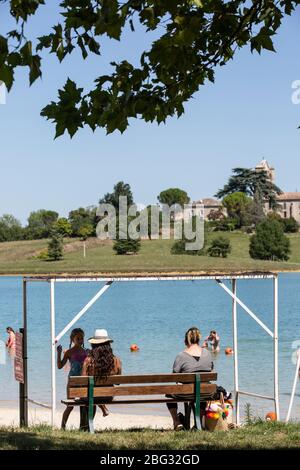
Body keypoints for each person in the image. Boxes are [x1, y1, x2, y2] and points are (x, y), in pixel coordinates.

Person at [57, 327, 108, 429]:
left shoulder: (87, 351)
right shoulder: (69, 352)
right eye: (78, 338)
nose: (80, 340)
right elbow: (60, 366)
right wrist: (58, 353)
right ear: (72, 339)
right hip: (72, 382)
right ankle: (62, 426)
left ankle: (100, 411)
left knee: (90, 397)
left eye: (82, 338)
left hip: (83, 381)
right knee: (70, 406)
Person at [167, 326, 214, 430]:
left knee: (169, 393)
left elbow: (174, 378)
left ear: (186, 340)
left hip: (187, 393)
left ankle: (176, 422)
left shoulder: (181, 355)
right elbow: (210, 369)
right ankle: (199, 422)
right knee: (200, 391)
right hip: (206, 392)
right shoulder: (207, 353)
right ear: (198, 339)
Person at [81, 328, 121, 423]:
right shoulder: (116, 360)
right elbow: (118, 382)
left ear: (93, 344)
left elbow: (82, 381)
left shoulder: (88, 360)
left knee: (88, 393)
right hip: (108, 395)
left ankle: (85, 425)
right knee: (92, 394)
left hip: (92, 396)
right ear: (108, 344)